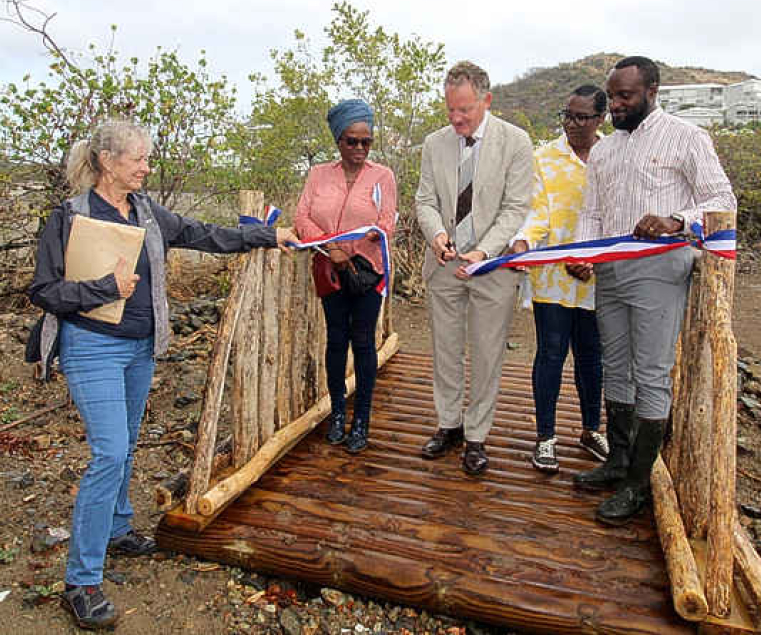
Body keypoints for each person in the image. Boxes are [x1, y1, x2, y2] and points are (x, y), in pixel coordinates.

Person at [28, 118, 297, 630]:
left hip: (139, 349)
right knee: (108, 452)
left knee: (126, 444)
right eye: (139, 159)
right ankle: (81, 581)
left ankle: (118, 530)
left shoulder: (148, 211)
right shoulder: (69, 216)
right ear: (107, 162)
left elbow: (204, 235)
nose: (147, 167)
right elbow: (44, 291)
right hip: (91, 348)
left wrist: (268, 235)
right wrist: (104, 287)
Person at [569, 56, 736, 525]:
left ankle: (639, 483)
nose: (616, 105)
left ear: (652, 91)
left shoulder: (687, 138)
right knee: (615, 366)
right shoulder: (604, 151)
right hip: (613, 270)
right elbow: (591, 214)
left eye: (625, 96)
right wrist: (584, 253)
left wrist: (676, 221)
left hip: (661, 268)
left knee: (651, 370)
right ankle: (618, 461)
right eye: (612, 97)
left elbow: (723, 200)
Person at [414, 61, 534, 475]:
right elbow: (425, 200)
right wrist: (436, 236)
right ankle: (448, 424)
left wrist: (484, 251)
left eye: (464, 109)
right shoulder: (434, 143)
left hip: (493, 266)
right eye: (450, 109)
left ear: (486, 100)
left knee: (486, 353)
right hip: (444, 263)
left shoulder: (515, 142)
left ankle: (476, 436)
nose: (456, 118)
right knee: (445, 350)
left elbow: (517, 206)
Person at [510, 85, 608, 474]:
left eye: (581, 117)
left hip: (598, 276)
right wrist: (522, 240)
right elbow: (539, 212)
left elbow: (618, 215)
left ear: (601, 119)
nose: (571, 124)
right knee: (551, 353)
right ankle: (546, 438)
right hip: (552, 274)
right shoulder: (544, 158)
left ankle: (590, 429)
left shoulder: (613, 156)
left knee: (592, 356)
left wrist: (595, 261)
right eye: (567, 115)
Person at [294, 99, 397, 454]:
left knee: (364, 341)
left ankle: (362, 419)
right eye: (351, 141)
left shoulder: (382, 176)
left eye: (365, 142)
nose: (359, 148)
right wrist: (330, 248)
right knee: (336, 340)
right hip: (328, 268)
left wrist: (351, 249)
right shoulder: (319, 174)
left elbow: (386, 221)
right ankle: (338, 412)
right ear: (338, 140)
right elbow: (302, 217)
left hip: (368, 272)